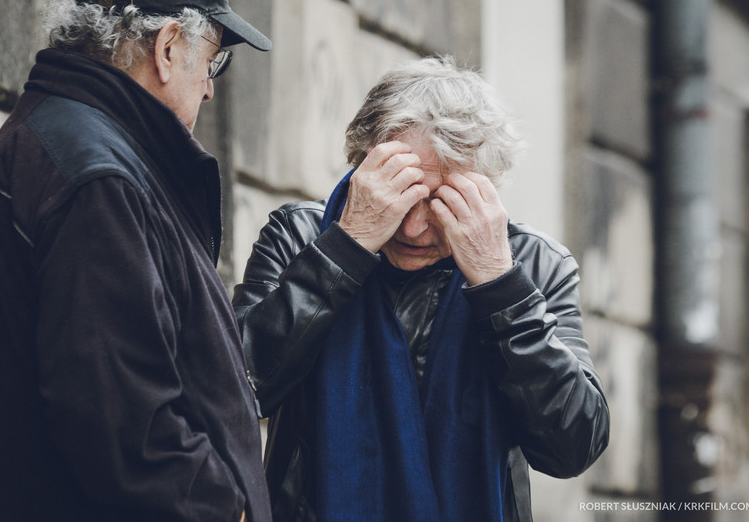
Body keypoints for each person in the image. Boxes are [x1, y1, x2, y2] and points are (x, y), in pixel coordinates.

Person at [0, 0, 271, 522]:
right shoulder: (98, 177)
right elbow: (124, 423)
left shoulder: (47, 145)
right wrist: (226, 510)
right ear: (169, 47)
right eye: (213, 61)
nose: (208, 85)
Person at [233, 56, 610, 522]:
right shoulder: (302, 238)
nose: (413, 228)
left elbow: (572, 447)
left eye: (438, 201)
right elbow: (236, 391)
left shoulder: (532, 264)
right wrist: (346, 247)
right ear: (364, 169)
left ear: (484, 187)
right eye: (401, 193)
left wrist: (498, 284)